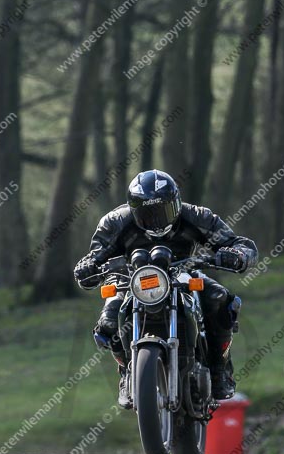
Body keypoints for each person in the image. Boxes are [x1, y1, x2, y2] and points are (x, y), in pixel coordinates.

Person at [74, 169, 258, 408]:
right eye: (148, 214)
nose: (157, 220)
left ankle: (219, 370)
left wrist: (236, 255)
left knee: (219, 299)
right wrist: (88, 268)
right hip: (130, 280)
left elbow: (240, 244)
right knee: (109, 321)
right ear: (134, 210)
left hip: (182, 274)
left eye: (164, 211)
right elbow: (94, 258)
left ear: (177, 203)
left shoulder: (197, 216)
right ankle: (127, 371)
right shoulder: (115, 222)